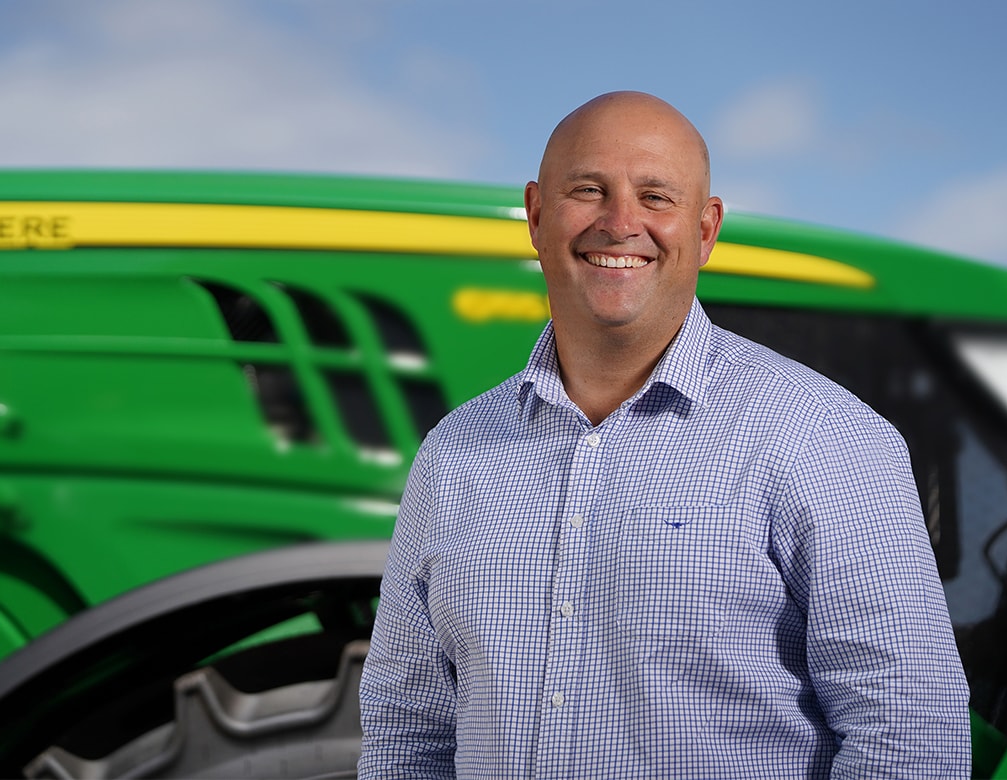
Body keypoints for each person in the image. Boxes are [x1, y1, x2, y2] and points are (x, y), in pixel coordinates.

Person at [358, 91, 970, 779]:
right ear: (535, 213)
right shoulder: (452, 456)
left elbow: (909, 734)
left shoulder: (823, 439)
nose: (621, 223)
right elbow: (408, 732)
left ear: (706, 230)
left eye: (656, 197)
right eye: (588, 190)